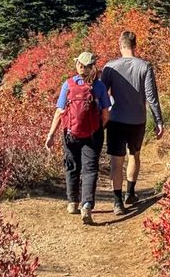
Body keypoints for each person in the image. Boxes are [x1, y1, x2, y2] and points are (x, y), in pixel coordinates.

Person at [101, 31, 164, 216]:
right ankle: (130, 192)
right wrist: (159, 120)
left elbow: (102, 96)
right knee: (134, 156)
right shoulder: (145, 66)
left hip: (116, 120)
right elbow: (151, 97)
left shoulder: (110, 67)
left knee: (116, 161)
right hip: (137, 119)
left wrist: (100, 119)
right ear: (135, 45)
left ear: (120, 45)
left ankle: (117, 201)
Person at [45, 52, 111, 225]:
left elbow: (60, 111)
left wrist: (51, 134)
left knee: (72, 166)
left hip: (70, 133)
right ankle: (87, 204)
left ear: (79, 66)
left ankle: (72, 202)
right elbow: (105, 114)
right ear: (92, 67)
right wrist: (99, 128)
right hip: (93, 134)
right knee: (90, 170)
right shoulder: (99, 86)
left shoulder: (68, 85)